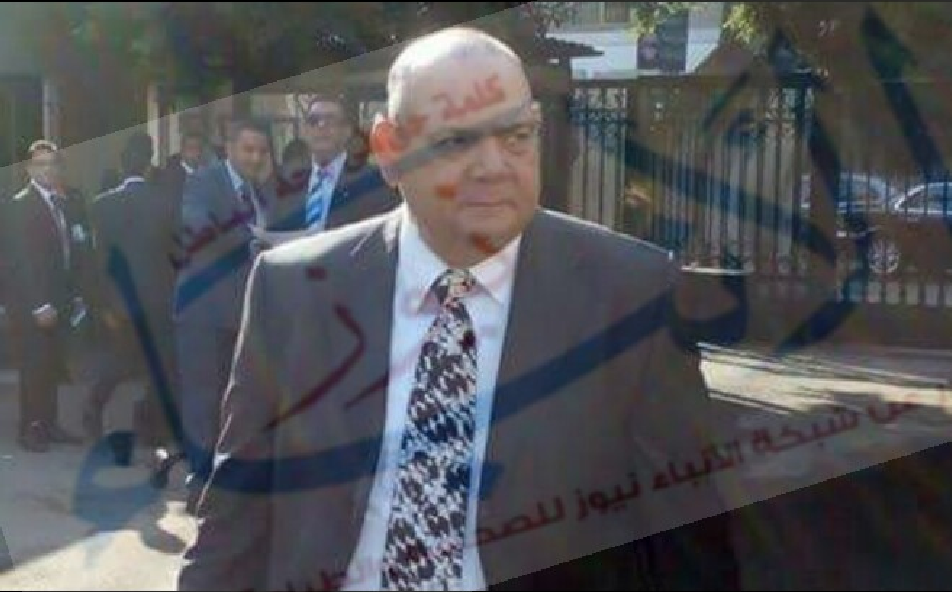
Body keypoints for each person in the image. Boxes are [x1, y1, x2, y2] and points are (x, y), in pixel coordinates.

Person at [178, 27, 739, 591]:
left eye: (516, 135)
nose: (494, 166)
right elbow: (233, 520)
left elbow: (689, 544)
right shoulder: (294, 290)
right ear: (389, 151)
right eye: (456, 141)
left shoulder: (630, 294)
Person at [171, 117, 286, 511]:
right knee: (203, 400)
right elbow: (200, 227)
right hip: (202, 312)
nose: (255, 158)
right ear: (230, 148)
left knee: (233, 399)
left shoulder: (260, 190)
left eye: (261, 151)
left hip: (242, 313)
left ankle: (225, 481)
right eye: (248, 150)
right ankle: (200, 484)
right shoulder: (203, 181)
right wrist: (254, 239)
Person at [83, 132, 180, 456]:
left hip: (122, 300)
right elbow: (177, 252)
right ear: (149, 162)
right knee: (160, 363)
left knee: (120, 360)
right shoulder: (166, 203)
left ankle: (93, 408)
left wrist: (104, 302)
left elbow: (99, 260)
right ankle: (149, 426)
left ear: (122, 164)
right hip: (159, 296)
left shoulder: (102, 205)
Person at [1, 140, 83, 452]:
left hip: (59, 300)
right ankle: (30, 428)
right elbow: (18, 262)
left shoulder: (63, 203)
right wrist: (39, 304)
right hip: (33, 304)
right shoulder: (19, 205)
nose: (48, 169)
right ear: (29, 169)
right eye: (41, 164)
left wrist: (73, 296)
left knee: (51, 364)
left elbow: (66, 251)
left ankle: (49, 423)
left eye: (52, 163)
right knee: (34, 366)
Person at [296, 94, 398, 231]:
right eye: (314, 120)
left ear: (347, 131)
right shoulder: (285, 183)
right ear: (305, 131)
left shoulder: (373, 182)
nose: (321, 125)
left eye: (330, 120)